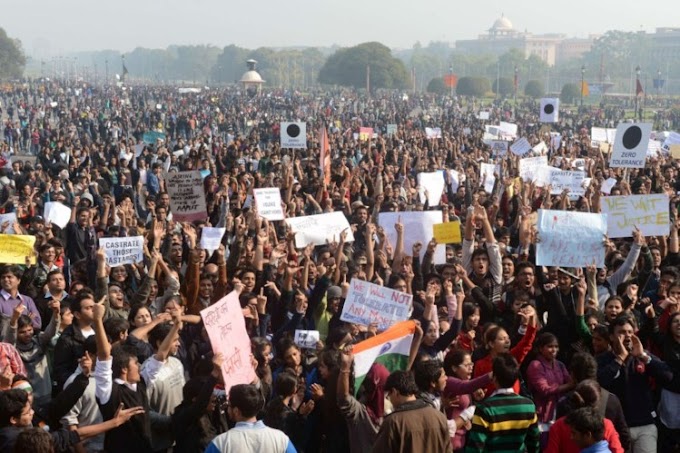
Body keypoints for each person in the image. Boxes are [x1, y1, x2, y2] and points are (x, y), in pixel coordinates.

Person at [465, 353, 540, 453]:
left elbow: (475, 448)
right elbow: (534, 443)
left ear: (494, 378)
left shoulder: (485, 409)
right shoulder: (529, 405)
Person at [372, 370, 452, 453]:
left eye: (389, 395)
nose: (389, 400)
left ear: (395, 392)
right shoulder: (439, 417)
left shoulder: (393, 422)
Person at [205, 383, 296, 453]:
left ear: (236, 411)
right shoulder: (281, 439)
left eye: (229, 405)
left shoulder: (221, 443)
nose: (227, 409)